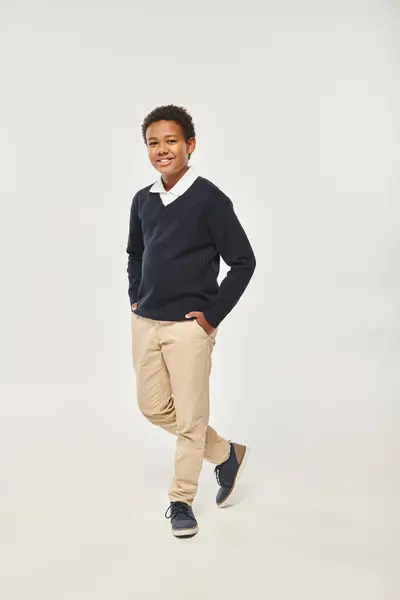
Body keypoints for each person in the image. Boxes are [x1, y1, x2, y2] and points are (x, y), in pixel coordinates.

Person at [126, 104, 256, 538]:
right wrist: (135, 297)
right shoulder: (143, 199)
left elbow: (243, 261)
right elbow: (136, 253)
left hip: (189, 327)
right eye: (153, 143)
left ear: (190, 145)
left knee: (190, 418)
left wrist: (212, 315)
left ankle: (181, 499)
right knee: (153, 408)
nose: (162, 150)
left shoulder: (209, 199)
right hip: (146, 321)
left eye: (171, 141)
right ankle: (225, 454)